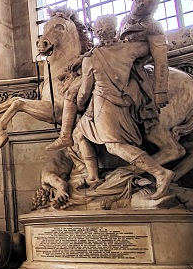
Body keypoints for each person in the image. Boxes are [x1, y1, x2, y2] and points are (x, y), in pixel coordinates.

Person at [47, 0, 168, 152]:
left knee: (75, 92)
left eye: (146, 5)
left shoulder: (153, 27)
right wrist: (83, 58)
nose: (140, 6)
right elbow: (111, 44)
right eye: (139, 1)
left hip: (131, 72)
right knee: (74, 89)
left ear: (153, 8)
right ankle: (69, 135)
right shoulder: (126, 19)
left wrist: (160, 91)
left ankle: (69, 135)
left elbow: (161, 60)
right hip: (113, 64)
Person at [72, 15, 174, 198]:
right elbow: (151, 48)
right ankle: (94, 178)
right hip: (125, 103)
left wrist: (78, 104)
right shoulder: (129, 49)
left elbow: (85, 90)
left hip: (104, 107)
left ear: (97, 33)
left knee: (114, 146)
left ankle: (160, 173)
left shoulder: (91, 58)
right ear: (114, 30)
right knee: (79, 133)